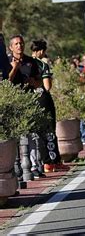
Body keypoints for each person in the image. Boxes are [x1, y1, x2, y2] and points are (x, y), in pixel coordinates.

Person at [8, 35, 45, 178]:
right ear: (11, 47)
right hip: (13, 103)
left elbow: (39, 82)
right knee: (16, 137)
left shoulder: (31, 62)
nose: (19, 46)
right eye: (16, 44)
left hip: (29, 101)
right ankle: (16, 168)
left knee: (32, 134)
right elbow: (6, 80)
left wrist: (33, 82)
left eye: (21, 43)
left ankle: (34, 165)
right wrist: (15, 68)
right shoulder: (6, 61)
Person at [30, 40, 69, 173]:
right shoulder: (42, 65)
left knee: (38, 133)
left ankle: (45, 163)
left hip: (29, 99)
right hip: (43, 99)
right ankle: (54, 162)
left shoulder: (26, 63)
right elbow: (47, 87)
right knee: (49, 130)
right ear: (41, 51)